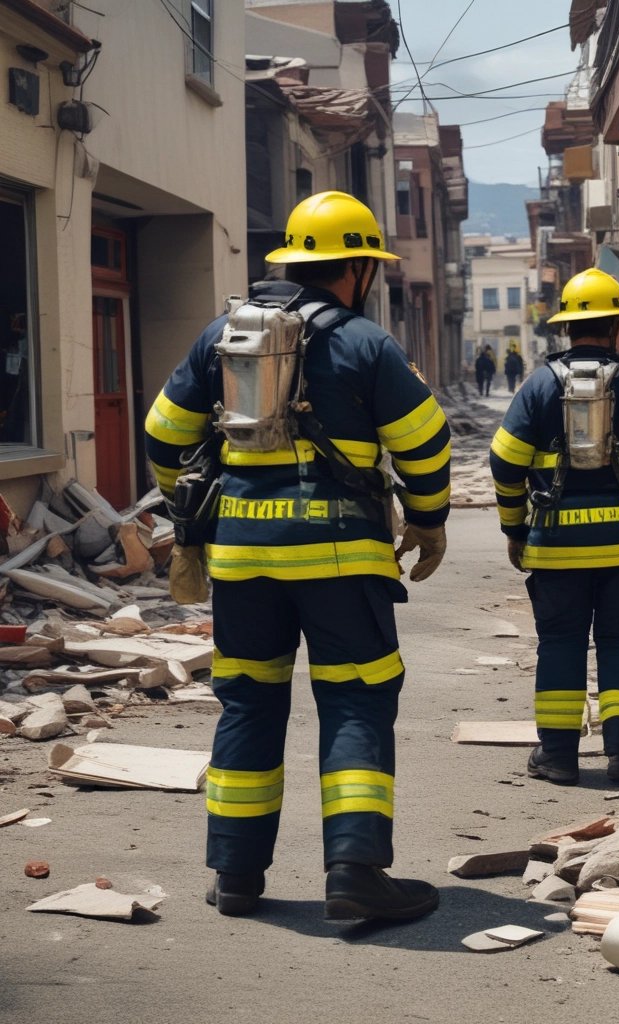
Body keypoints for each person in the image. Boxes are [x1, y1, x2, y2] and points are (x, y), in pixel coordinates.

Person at [144, 191, 451, 921]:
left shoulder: (220, 334)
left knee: (248, 701)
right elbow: (426, 442)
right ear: (358, 269)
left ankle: (237, 876)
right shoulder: (364, 342)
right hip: (341, 561)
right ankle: (355, 876)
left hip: (242, 563)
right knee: (354, 701)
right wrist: (429, 521)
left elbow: (163, 436)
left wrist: (196, 513)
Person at [489, 268, 619, 786]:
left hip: (554, 550)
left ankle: (557, 757)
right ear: (618, 328)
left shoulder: (537, 387)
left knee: (560, 643)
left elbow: (505, 462)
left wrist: (515, 527)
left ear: (566, 330)